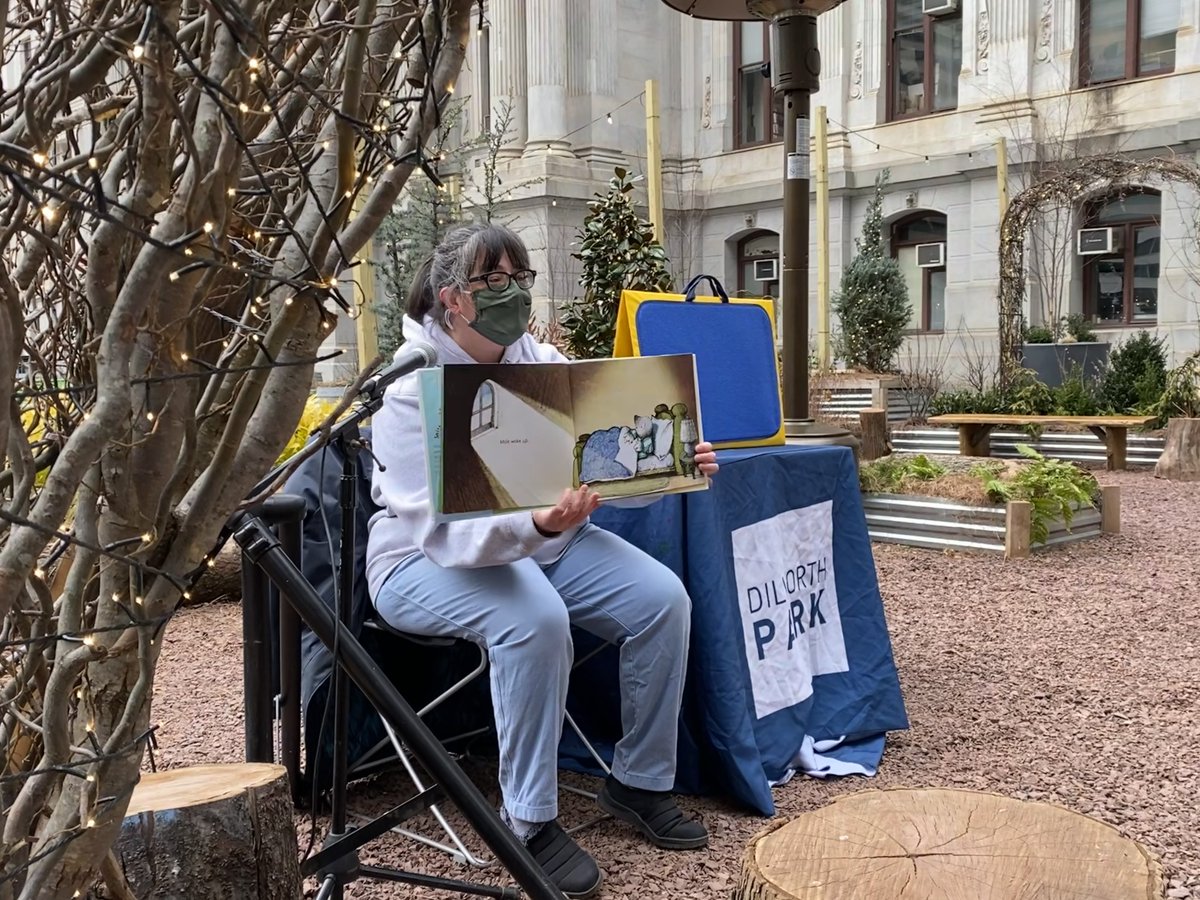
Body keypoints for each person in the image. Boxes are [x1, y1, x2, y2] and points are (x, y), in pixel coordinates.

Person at [365, 222, 719, 899]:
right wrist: (533, 524)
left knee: (662, 600)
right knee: (535, 619)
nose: (512, 294)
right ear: (453, 300)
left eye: (519, 279)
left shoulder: (546, 365)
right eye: (492, 281)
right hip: (421, 559)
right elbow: (443, 535)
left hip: (543, 540)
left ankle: (637, 781)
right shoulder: (410, 389)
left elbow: (607, 478)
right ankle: (527, 821)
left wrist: (677, 464)